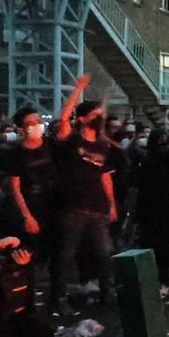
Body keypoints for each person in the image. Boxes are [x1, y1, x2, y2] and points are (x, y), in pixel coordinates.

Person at [51, 76, 120, 312]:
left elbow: (105, 176)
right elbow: (62, 119)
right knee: (66, 255)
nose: (99, 117)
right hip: (73, 206)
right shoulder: (71, 139)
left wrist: (111, 204)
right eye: (95, 114)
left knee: (103, 254)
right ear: (81, 118)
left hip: (97, 207)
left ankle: (107, 294)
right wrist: (78, 89)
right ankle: (59, 299)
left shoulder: (102, 145)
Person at [5, 107, 57, 270]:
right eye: (30, 123)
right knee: (33, 250)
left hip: (54, 203)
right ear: (21, 129)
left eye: (38, 121)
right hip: (31, 205)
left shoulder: (51, 144)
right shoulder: (16, 152)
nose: (36, 125)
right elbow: (15, 187)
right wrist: (27, 216)